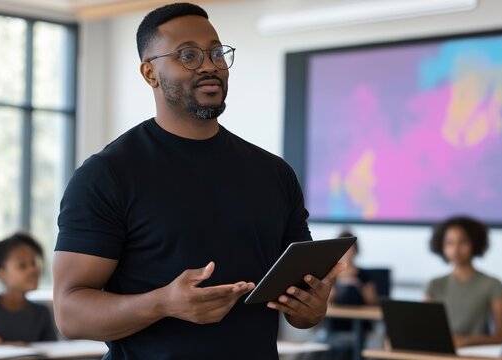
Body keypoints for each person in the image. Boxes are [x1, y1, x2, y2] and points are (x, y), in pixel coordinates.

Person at [52, 3, 344, 359]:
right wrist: (162, 303)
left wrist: (311, 307)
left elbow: (301, 306)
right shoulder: (107, 175)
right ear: (150, 73)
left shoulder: (273, 173)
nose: (209, 65)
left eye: (216, 52)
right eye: (187, 55)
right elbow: (70, 314)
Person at [425, 216, 502, 347]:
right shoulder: (434, 285)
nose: (456, 249)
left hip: (475, 354)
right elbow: (425, 330)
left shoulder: (492, 285)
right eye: (449, 243)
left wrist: (466, 341)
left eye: (463, 242)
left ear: (475, 244)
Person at [321, 231, 378, 360]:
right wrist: (336, 284)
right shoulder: (331, 275)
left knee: (350, 345)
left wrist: (357, 284)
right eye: (344, 250)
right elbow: (327, 301)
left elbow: (372, 302)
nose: (348, 254)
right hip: (334, 326)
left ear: (356, 251)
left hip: (360, 327)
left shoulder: (364, 275)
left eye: (351, 250)